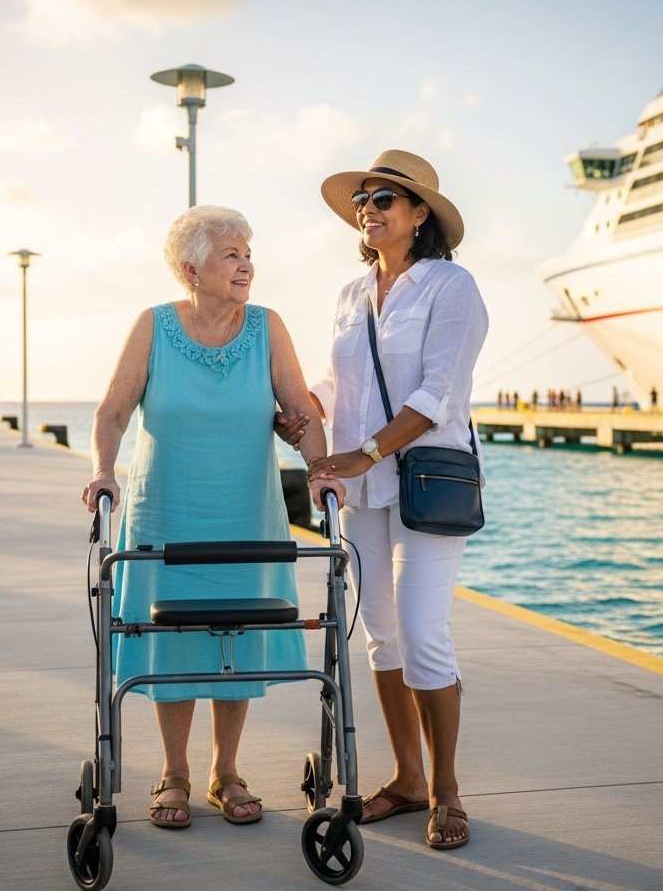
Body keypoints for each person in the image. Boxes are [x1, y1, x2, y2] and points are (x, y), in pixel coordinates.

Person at [81, 205, 338, 830]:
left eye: (249, 251)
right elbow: (112, 411)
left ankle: (227, 771)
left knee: (237, 634)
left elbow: (300, 410)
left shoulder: (268, 327)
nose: (247, 263)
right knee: (172, 639)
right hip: (166, 511)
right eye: (232, 253)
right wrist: (103, 470)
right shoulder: (153, 326)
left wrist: (321, 469)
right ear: (191, 267)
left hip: (246, 512)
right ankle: (174, 773)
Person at [303, 150, 487, 850]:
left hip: (427, 479)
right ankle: (408, 779)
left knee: (422, 628)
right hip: (363, 488)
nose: (369, 209)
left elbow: (438, 392)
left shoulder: (451, 287)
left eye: (385, 199)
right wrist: (298, 408)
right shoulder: (352, 294)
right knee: (380, 633)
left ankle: (447, 790)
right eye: (363, 201)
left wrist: (370, 450)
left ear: (420, 215)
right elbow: (335, 381)